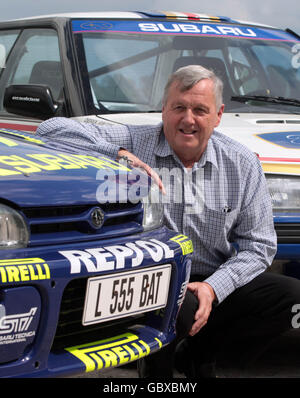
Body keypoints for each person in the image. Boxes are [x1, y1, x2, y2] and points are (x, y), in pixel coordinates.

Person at [36, 65, 300, 377]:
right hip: (149, 278)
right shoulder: (135, 141)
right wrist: (119, 154)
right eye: (179, 107)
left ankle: (203, 354)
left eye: (200, 110)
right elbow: (49, 130)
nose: (188, 119)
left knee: (292, 299)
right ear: (164, 110)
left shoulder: (241, 162)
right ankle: (155, 370)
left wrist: (213, 288)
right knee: (175, 307)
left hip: (214, 275)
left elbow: (259, 246)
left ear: (218, 115)